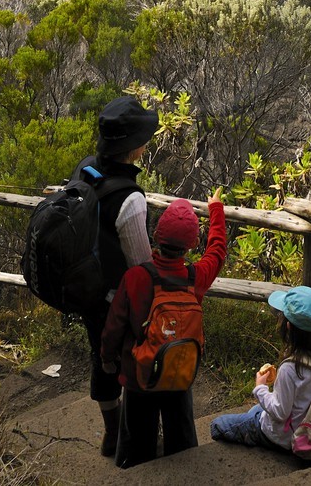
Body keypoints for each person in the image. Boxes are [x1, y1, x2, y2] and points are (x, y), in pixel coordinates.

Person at [101, 192, 228, 467]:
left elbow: (115, 325)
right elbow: (217, 250)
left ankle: (132, 465)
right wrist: (216, 208)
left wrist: (107, 358)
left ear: (157, 235)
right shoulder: (196, 277)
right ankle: (181, 467)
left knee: (136, 436)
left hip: (139, 373)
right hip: (178, 370)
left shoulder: (136, 277)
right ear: (192, 244)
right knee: (181, 436)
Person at [77, 96, 160, 458]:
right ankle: (134, 437)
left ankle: (111, 433)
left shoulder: (86, 169)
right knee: (132, 359)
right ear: (136, 149)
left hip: (86, 287)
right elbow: (141, 262)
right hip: (117, 298)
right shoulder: (130, 198)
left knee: (101, 357)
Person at [209, 286, 311, 451]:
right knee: (255, 410)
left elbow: (280, 412)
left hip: (286, 437)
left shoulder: (290, 368)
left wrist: (260, 387)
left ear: (288, 327)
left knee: (218, 424)